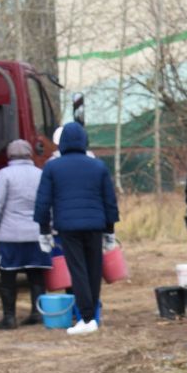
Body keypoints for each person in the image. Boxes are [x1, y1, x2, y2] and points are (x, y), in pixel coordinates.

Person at [32, 122, 118, 335]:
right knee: (94, 270)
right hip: (95, 226)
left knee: (78, 270)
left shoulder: (53, 167)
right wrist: (110, 229)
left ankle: (86, 318)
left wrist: (44, 230)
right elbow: (109, 200)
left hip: (68, 227)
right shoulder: (97, 166)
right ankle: (92, 316)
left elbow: (43, 201)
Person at [0, 139, 47, 329]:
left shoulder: (4, 175)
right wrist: (49, 228)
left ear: (9, 155)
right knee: (36, 276)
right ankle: (37, 313)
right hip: (35, 234)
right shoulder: (40, 174)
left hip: (10, 236)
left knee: (8, 278)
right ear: (30, 154)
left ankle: (9, 317)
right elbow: (46, 204)